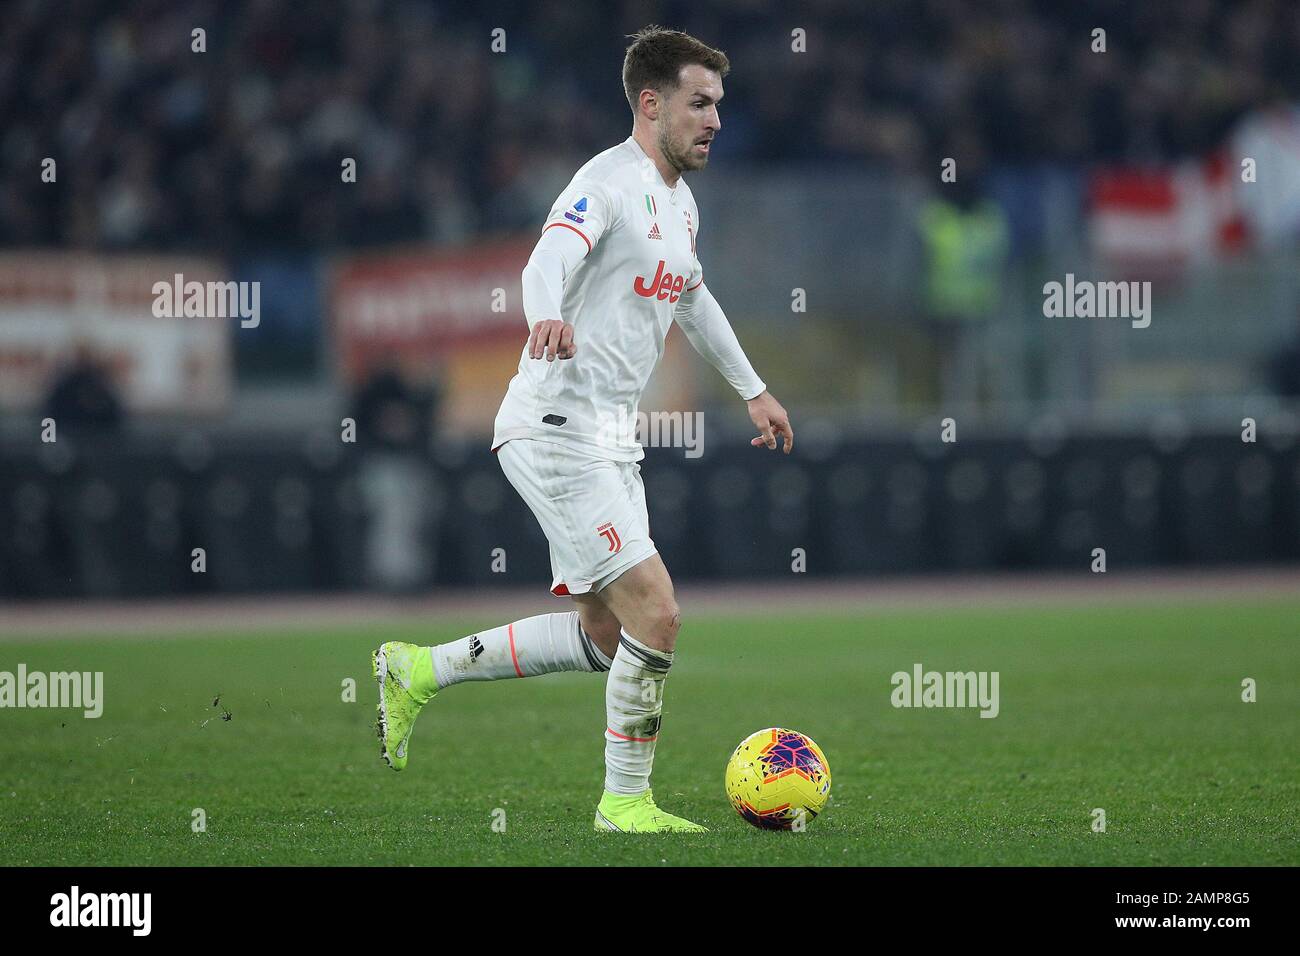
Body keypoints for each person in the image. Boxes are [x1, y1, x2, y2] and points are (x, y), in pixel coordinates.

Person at [372, 26, 793, 833]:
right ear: (650, 102)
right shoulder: (605, 181)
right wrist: (544, 319)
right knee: (658, 613)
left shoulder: (681, 203)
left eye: (719, 106)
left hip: (609, 438)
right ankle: (625, 802)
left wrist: (754, 389)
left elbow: (694, 302)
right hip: (556, 428)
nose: (714, 120)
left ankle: (418, 670)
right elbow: (544, 259)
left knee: (608, 636)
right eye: (699, 103)